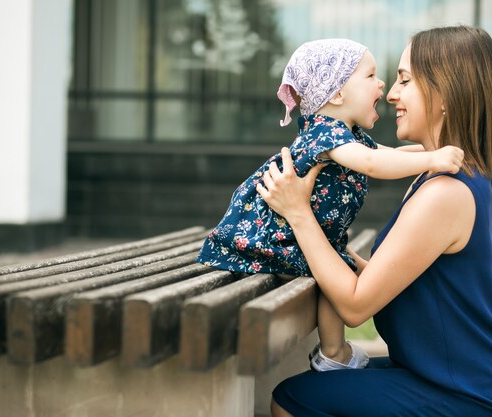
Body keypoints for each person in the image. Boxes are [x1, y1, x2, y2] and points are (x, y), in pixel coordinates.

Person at [257, 26, 492, 417]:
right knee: (317, 387)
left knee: (292, 400)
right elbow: (425, 283)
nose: (390, 94)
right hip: (459, 380)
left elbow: (355, 308)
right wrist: (356, 265)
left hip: (473, 398)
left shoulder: (445, 192)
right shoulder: (438, 170)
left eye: (405, 79)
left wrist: (298, 212)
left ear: (445, 94)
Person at [197, 38, 464, 372]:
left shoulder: (347, 135)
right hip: (275, 236)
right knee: (337, 272)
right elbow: (371, 164)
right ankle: (333, 352)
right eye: (370, 76)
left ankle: (333, 353)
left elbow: (389, 155)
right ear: (337, 94)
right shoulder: (326, 134)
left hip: (301, 233)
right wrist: (434, 158)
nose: (383, 85)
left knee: (337, 270)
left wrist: (431, 156)